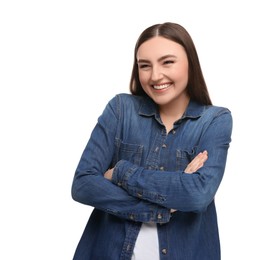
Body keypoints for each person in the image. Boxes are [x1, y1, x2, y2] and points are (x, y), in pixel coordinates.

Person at [71, 22, 232, 260]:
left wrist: (120, 173)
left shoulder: (214, 120)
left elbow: (198, 195)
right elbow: (83, 184)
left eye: (167, 62)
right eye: (144, 66)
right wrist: (163, 206)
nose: (155, 76)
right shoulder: (121, 110)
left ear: (190, 62)